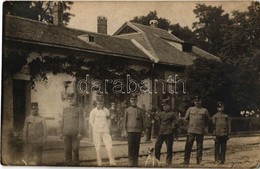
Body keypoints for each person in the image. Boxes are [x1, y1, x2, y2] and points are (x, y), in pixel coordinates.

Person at [89, 95, 116, 166]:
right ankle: (99, 162)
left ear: (103, 102)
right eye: (98, 102)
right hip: (97, 131)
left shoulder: (106, 110)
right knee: (97, 147)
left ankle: (112, 161)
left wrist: (108, 128)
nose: (100, 103)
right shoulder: (93, 111)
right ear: (96, 102)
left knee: (109, 146)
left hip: (105, 131)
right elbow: (91, 122)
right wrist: (95, 128)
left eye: (101, 102)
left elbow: (109, 120)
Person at [183, 96, 210, 165]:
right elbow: (185, 119)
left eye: (198, 101)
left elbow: (208, 120)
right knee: (188, 146)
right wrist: (187, 128)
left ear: (201, 101)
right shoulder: (190, 109)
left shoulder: (204, 110)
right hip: (191, 131)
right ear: (194, 102)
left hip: (200, 131)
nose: (197, 102)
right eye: (196, 101)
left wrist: (204, 127)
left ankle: (199, 161)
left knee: (199, 146)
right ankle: (186, 160)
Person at [60, 93, 84, 165]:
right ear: (67, 101)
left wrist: (80, 132)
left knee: (75, 149)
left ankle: (76, 164)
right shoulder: (65, 110)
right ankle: (68, 164)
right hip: (66, 133)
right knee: (67, 150)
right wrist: (61, 132)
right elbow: (62, 121)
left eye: (72, 99)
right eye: (69, 99)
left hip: (75, 134)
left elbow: (81, 121)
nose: (70, 101)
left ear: (75, 100)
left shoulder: (79, 109)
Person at [154, 99, 178, 166]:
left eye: (166, 105)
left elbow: (176, 123)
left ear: (169, 106)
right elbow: (158, 122)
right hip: (161, 133)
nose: (165, 107)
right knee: (157, 146)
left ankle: (168, 162)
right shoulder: (161, 114)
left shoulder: (172, 114)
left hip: (169, 133)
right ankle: (157, 161)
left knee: (169, 148)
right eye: (163, 106)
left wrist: (172, 129)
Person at [123, 93, 145, 167]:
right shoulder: (127, 110)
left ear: (137, 100)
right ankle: (130, 162)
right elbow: (124, 121)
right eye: (132, 100)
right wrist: (124, 131)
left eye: (135, 100)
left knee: (136, 147)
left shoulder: (140, 110)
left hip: (138, 131)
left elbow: (143, 121)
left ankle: (136, 162)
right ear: (130, 100)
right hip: (130, 131)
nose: (133, 101)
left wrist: (143, 131)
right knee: (130, 147)